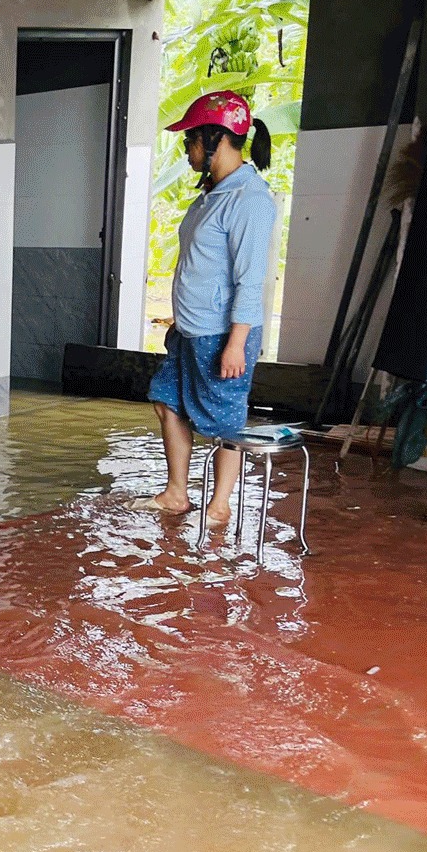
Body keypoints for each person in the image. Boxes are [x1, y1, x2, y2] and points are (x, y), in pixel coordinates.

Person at [140, 91, 276, 527]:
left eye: (191, 138)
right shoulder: (212, 196)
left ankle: (219, 505)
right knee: (167, 402)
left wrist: (236, 344)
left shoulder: (249, 200)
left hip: (223, 335)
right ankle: (177, 493)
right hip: (192, 330)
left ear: (215, 139)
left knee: (226, 422)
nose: (186, 147)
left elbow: (250, 280)